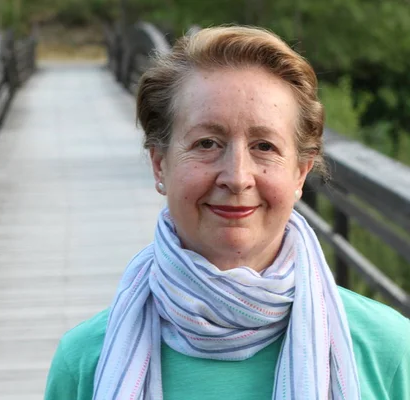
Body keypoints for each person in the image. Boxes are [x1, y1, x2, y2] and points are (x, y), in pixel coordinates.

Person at [44, 26, 410, 400]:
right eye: (207, 143)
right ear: (159, 165)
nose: (237, 177)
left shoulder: (389, 353)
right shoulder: (84, 362)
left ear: (300, 172)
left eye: (264, 146)